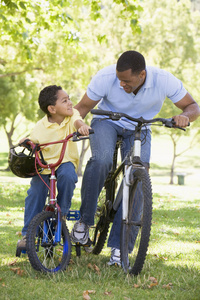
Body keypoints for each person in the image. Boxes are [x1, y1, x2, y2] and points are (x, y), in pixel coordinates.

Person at [70, 50, 200, 266]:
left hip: (140, 126)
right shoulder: (105, 77)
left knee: (139, 178)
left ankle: (120, 250)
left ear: (142, 75)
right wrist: (72, 127)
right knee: (101, 160)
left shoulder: (164, 80)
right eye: (119, 79)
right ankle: (84, 222)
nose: (121, 84)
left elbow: (193, 106)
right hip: (106, 121)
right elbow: (81, 108)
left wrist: (184, 116)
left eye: (126, 80)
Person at [17, 85, 91, 249]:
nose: (70, 103)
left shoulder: (71, 117)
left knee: (67, 177)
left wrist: (82, 128)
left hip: (65, 162)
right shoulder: (40, 127)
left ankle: (62, 213)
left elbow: (78, 122)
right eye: (65, 101)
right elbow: (33, 140)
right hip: (44, 167)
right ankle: (27, 234)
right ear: (52, 109)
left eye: (69, 98)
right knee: (35, 193)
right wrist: (26, 141)